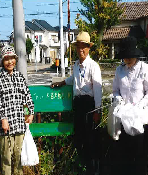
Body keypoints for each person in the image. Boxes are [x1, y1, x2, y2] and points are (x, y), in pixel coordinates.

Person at [51, 31, 102, 175]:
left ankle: (94, 170)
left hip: (89, 105)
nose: (81, 50)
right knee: (80, 138)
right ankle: (84, 168)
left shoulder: (93, 66)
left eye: (84, 47)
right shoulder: (76, 65)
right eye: (78, 47)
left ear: (89, 48)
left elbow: (98, 89)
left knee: (91, 139)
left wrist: (97, 110)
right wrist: (62, 82)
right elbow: (74, 78)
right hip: (78, 104)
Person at [111, 36, 148, 175]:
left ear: (136, 55)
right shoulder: (119, 70)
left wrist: (139, 105)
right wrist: (120, 102)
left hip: (139, 118)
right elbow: (115, 90)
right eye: (125, 57)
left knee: (139, 155)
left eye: (130, 57)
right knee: (124, 154)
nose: (127, 60)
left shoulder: (145, 69)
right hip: (124, 118)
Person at [0, 45, 34, 175]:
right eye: (6, 59)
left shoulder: (19, 76)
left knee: (19, 158)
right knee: (6, 160)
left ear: (16, 59)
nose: (10, 62)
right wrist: (3, 118)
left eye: (12, 58)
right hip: (5, 126)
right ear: (2, 61)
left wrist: (31, 111)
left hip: (19, 124)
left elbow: (27, 96)